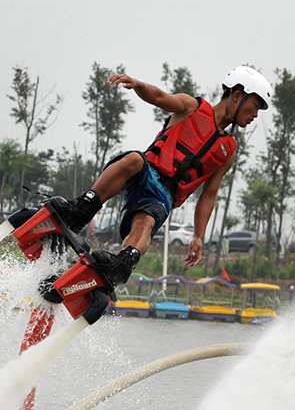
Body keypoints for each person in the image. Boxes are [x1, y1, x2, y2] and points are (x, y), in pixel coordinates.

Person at [48, 66, 272, 285]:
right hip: (145, 171)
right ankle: (80, 212)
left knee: (146, 223)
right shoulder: (192, 106)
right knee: (134, 158)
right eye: (255, 106)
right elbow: (158, 97)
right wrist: (137, 84)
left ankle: (123, 263)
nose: (255, 115)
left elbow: (208, 195)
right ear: (237, 96)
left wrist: (198, 236)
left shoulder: (228, 151)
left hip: (163, 196)